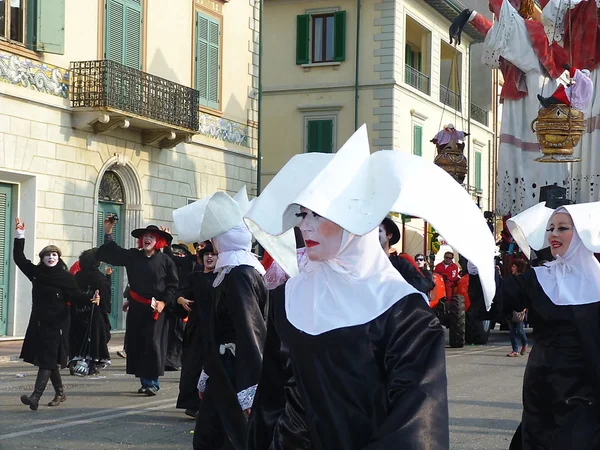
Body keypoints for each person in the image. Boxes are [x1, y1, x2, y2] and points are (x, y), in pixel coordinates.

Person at [244, 125, 497, 450]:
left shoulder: (405, 315)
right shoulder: (289, 297)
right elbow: (271, 398)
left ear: (355, 220)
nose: (304, 225)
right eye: (303, 214)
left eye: (318, 214)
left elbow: (416, 424)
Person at [173, 186, 268, 450]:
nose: (211, 243)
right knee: (210, 436)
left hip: (235, 374)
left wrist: (251, 389)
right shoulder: (230, 273)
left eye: (215, 238)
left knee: (229, 438)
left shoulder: (240, 275)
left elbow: (251, 332)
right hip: (223, 370)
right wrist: (207, 372)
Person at [504, 201, 600, 449]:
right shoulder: (539, 277)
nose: (554, 234)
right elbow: (497, 299)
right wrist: (478, 271)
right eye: (550, 228)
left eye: (563, 228)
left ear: (580, 234)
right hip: (542, 385)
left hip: (585, 387)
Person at [13, 218, 99, 410]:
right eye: (47, 255)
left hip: (59, 323)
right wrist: (20, 235)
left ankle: (35, 396)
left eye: (54, 255)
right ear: (42, 258)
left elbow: (76, 295)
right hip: (39, 322)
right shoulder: (36, 273)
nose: (51, 257)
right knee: (48, 359)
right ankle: (60, 392)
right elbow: (19, 259)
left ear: (58, 258)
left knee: (47, 358)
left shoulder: (65, 277)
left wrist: (90, 298)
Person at [96, 218, 179, 396]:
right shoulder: (133, 255)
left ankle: (152, 383)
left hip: (156, 309)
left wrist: (164, 302)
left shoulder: (165, 261)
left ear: (159, 241)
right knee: (139, 344)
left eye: (152, 236)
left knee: (153, 345)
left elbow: (173, 285)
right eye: (145, 236)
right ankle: (145, 381)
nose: (148, 239)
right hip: (137, 308)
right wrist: (108, 232)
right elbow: (114, 252)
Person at [175, 242, 218, 418]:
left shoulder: (223, 277)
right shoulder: (194, 276)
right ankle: (192, 405)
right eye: (206, 255)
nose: (209, 257)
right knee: (192, 367)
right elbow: (179, 293)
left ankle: (210, 406)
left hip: (216, 330)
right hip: (195, 329)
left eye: (213, 255)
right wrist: (181, 301)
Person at [71, 248, 113, 375]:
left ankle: (78, 362)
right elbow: (105, 294)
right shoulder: (98, 277)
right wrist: (106, 308)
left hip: (79, 312)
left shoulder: (78, 276)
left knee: (80, 337)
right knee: (97, 337)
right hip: (96, 314)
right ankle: (92, 364)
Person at [379, 216, 434, 293]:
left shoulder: (400, 263)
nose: (374, 235)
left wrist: (394, 286)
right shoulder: (363, 262)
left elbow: (423, 284)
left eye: (379, 231)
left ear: (389, 235)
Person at [506, 259, 529, 357]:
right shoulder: (510, 279)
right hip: (510, 307)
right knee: (512, 331)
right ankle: (514, 350)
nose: (512, 268)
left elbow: (527, 293)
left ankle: (525, 344)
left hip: (520, 308)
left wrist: (526, 306)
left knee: (519, 330)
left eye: (514, 266)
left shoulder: (524, 279)